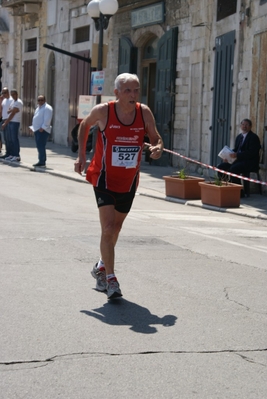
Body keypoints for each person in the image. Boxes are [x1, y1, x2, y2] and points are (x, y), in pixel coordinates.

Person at [74, 73, 163, 299]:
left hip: (129, 180)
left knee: (116, 229)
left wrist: (157, 148)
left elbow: (155, 137)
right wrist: (82, 155)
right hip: (103, 177)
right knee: (107, 227)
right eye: (128, 91)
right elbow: (85, 125)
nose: (133, 95)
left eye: (136, 90)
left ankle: (101, 266)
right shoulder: (104, 111)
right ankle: (111, 280)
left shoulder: (144, 112)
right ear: (116, 93)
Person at [217, 119, 261, 193]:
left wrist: (237, 155)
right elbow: (236, 149)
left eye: (246, 125)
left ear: (250, 127)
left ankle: (239, 192)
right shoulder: (239, 137)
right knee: (221, 166)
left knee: (234, 168)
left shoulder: (253, 137)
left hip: (249, 162)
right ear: (240, 126)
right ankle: (225, 188)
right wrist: (227, 157)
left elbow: (251, 152)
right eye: (243, 125)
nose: (244, 126)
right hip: (239, 160)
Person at [31, 95, 53, 167]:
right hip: (37, 129)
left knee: (41, 145)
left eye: (41, 100)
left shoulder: (47, 108)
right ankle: (41, 160)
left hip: (43, 130)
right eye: (39, 100)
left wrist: (43, 127)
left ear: (45, 100)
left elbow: (47, 119)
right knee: (39, 145)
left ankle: (42, 161)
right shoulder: (38, 108)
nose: (40, 102)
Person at [2, 89, 23, 162]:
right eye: (12, 94)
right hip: (10, 122)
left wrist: (5, 123)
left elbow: (13, 112)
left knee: (14, 139)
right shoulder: (13, 102)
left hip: (15, 122)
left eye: (14, 94)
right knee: (10, 139)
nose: (13, 96)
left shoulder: (18, 102)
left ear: (17, 94)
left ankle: (16, 155)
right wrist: (11, 110)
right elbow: (11, 110)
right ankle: (11, 154)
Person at [0, 87, 13, 158]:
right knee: (6, 138)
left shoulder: (11, 100)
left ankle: (12, 153)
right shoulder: (4, 100)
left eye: (5, 93)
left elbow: (12, 111)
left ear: (8, 92)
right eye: (2, 93)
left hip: (9, 121)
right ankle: (7, 153)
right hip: (3, 120)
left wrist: (7, 120)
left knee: (10, 138)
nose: (3, 94)